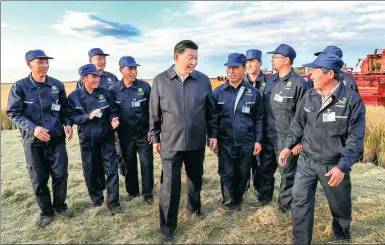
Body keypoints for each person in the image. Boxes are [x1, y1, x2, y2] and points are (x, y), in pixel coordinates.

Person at [278, 53, 365, 244]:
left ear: (330, 74)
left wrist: (342, 167)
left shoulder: (351, 101)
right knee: (300, 201)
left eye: (315, 71)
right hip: (307, 161)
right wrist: (288, 146)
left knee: (340, 205)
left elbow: (355, 138)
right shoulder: (310, 95)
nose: (311, 76)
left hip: (333, 164)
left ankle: (342, 235)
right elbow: (298, 123)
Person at [149, 40, 218, 243]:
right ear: (176, 56)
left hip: (196, 142)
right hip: (170, 142)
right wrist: (155, 137)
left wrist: (213, 135)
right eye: (190, 58)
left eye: (196, 58)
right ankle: (167, 228)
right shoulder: (161, 80)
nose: (194, 62)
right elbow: (154, 112)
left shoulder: (203, 80)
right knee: (169, 186)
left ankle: (194, 207)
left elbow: (211, 113)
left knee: (196, 178)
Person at [6, 49, 74, 227]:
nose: (45, 66)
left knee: (61, 174)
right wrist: (33, 128)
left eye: (46, 62)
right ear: (29, 64)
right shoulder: (19, 87)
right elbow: (13, 112)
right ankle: (46, 212)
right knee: (39, 178)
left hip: (56, 139)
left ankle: (60, 205)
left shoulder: (56, 85)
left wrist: (67, 124)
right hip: (33, 142)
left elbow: (64, 109)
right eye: (40, 62)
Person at [256, 44, 310, 212]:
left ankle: (284, 206)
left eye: (275, 57)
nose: (272, 60)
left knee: (287, 174)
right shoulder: (270, 81)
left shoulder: (299, 84)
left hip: (287, 139)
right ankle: (264, 199)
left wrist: (299, 141)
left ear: (286, 60)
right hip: (268, 136)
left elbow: (304, 116)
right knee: (264, 170)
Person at [67, 64, 121, 215]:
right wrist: (87, 116)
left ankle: (113, 203)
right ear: (84, 78)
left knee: (111, 171)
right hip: (87, 141)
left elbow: (112, 111)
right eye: (94, 76)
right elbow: (71, 116)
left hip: (106, 138)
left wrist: (113, 119)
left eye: (98, 76)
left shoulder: (106, 93)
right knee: (91, 172)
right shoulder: (74, 96)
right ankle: (97, 200)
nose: (98, 79)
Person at [213, 53, 263, 212]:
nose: (231, 71)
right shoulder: (218, 92)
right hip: (225, 141)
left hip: (246, 141)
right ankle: (228, 203)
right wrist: (213, 137)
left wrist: (258, 140)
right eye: (229, 67)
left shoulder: (253, 93)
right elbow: (212, 119)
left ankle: (238, 199)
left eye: (235, 68)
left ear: (244, 69)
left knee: (242, 174)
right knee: (226, 173)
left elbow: (259, 118)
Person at [109, 56, 154, 204]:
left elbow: (152, 110)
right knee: (129, 165)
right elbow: (112, 111)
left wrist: (151, 129)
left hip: (143, 134)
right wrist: (113, 119)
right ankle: (133, 192)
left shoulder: (145, 87)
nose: (133, 72)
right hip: (125, 136)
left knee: (146, 163)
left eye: (135, 68)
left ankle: (148, 194)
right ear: (121, 70)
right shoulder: (113, 90)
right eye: (130, 69)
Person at [76, 48, 126, 177]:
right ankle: (102, 178)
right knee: (98, 156)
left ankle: (120, 172)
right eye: (99, 58)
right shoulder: (83, 81)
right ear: (90, 60)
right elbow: (81, 103)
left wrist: (115, 117)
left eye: (104, 58)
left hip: (112, 121)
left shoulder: (111, 77)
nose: (102, 61)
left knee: (119, 148)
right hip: (94, 126)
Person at [244, 49, 269, 197]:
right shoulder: (241, 82)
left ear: (260, 63)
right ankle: (244, 189)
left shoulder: (270, 82)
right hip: (245, 130)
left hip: (264, 130)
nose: (249, 65)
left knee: (261, 164)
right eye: (247, 62)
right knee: (244, 163)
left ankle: (260, 192)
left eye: (253, 61)